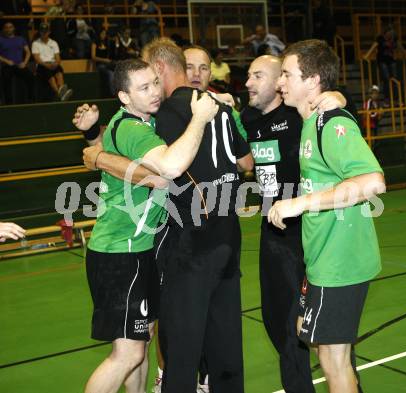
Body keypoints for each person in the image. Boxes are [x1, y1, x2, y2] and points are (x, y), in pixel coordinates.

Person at [78, 37, 253, 393]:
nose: (155, 92)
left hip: (141, 249)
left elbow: (153, 173)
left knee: (139, 348)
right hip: (119, 251)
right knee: (126, 355)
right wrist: (202, 117)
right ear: (125, 97)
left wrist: (95, 147)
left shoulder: (147, 125)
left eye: (155, 84)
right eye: (144, 87)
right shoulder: (131, 126)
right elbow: (170, 167)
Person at [268, 39, 385, 393]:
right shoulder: (309, 121)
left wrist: (300, 204)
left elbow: (373, 181)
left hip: (341, 263)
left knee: (333, 361)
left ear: (313, 80)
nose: (280, 82)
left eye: (287, 74)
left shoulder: (329, 123)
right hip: (322, 259)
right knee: (321, 344)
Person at [241, 54, 354, 393]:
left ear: (279, 82)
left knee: (322, 333)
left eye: (257, 76)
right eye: (248, 75)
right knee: (277, 323)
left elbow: (336, 109)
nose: (248, 82)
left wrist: (338, 97)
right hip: (272, 234)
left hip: (309, 235)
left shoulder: (298, 115)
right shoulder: (246, 118)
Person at [364, 26, 406, 104]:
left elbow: (399, 46)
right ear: (385, 33)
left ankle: (397, 99)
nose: (390, 36)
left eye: (392, 34)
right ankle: (387, 99)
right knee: (386, 79)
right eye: (389, 34)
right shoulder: (380, 38)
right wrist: (367, 55)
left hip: (391, 61)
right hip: (382, 61)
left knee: (395, 79)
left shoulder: (394, 38)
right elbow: (374, 46)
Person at [31, 22, 73, 101]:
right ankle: (59, 94)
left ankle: (62, 92)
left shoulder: (54, 43)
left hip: (53, 64)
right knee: (49, 74)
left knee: (59, 71)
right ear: (39, 32)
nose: (44, 33)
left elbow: (58, 57)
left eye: (45, 31)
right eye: (42, 31)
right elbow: (37, 59)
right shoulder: (35, 43)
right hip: (42, 65)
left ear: (49, 32)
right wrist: (46, 65)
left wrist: (56, 63)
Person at [0, 21, 34, 104]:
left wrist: (24, 63)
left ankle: (31, 100)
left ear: (14, 28)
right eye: (6, 27)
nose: (8, 29)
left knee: (30, 77)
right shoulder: (1, 39)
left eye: (10, 27)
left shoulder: (20, 39)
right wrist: (7, 61)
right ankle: (9, 103)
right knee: (6, 79)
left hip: (20, 65)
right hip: (7, 65)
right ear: (4, 29)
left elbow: (28, 52)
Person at [91, 28, 116, 97]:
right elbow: (93, 57)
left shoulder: (107, 42)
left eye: (105, 34)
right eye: (102, 34)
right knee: (111, 73)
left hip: (108, 64)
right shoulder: (95, 43)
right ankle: (113, 94)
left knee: (117, 71)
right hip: (100, 65)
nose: (104, 35)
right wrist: (104, 60)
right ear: (99, 34)